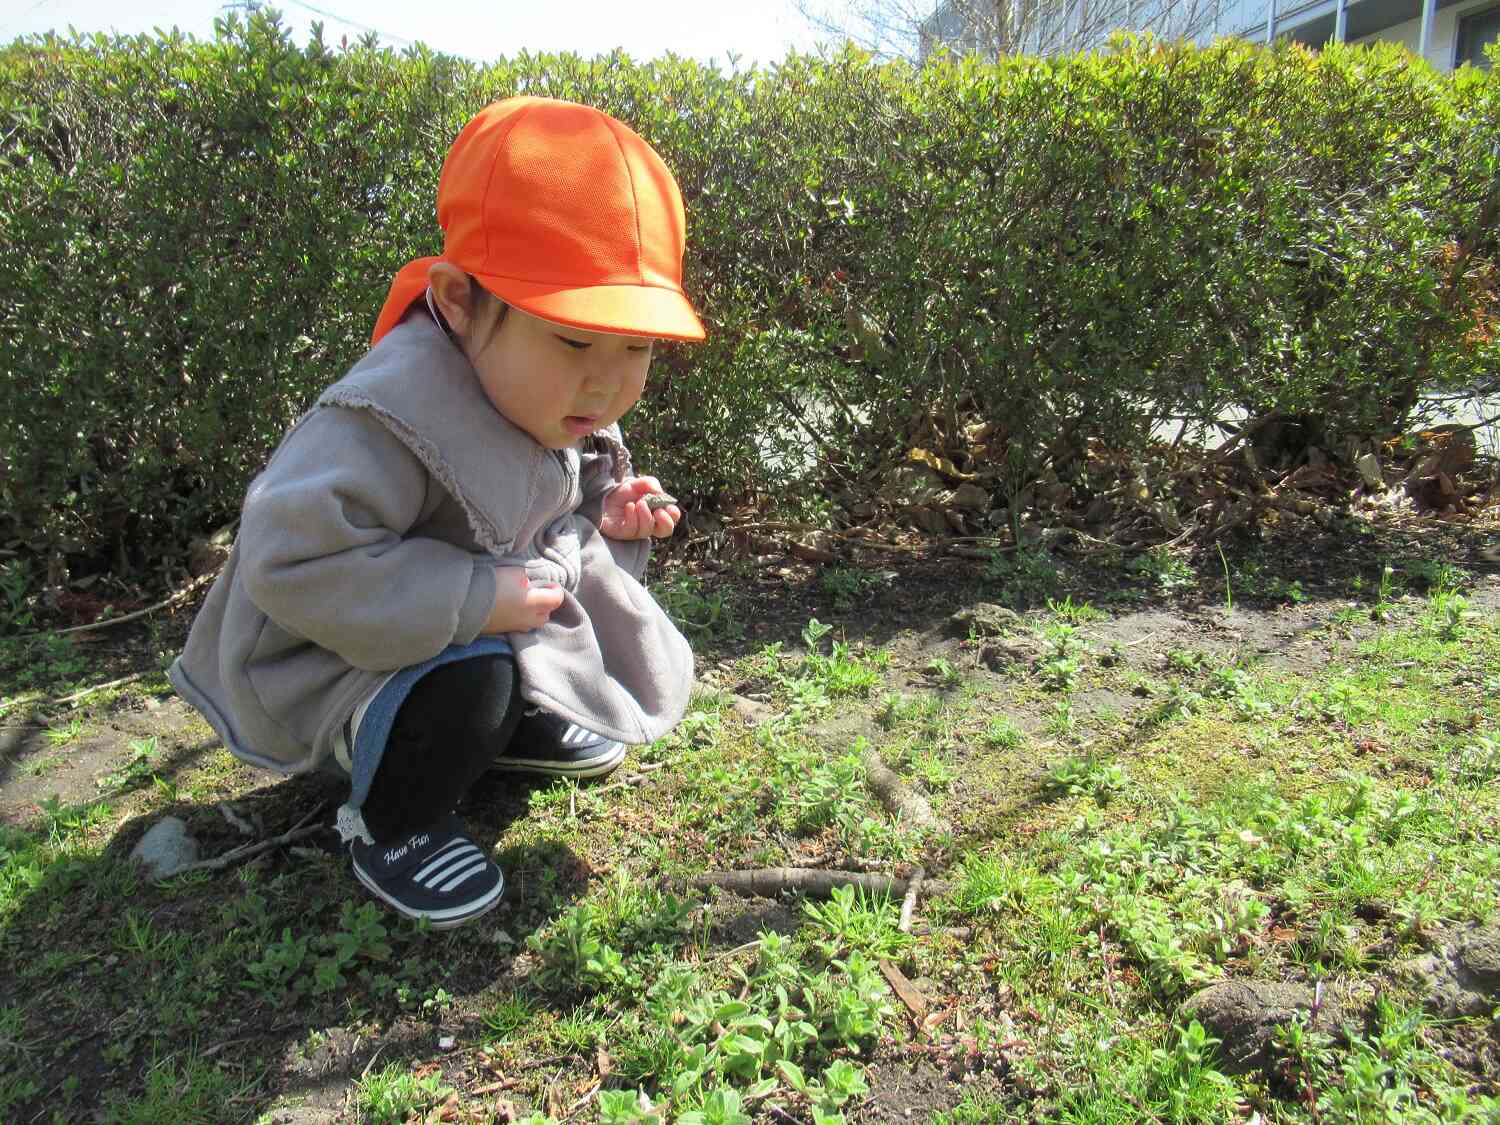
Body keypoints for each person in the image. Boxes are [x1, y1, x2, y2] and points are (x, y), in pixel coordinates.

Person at [168, 96, 704, 929]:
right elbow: (287, 558)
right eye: (573, 340)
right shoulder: (389, 416)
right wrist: (472, 597)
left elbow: (543, 500)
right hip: (332, 663)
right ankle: (397, 820)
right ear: (457, 301)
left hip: (458, 619)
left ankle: (509, 731)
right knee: (472, 677)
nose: (605, 383)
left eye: (634, 348)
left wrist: (611, 513)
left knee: (496, 656)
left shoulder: (535, 387)